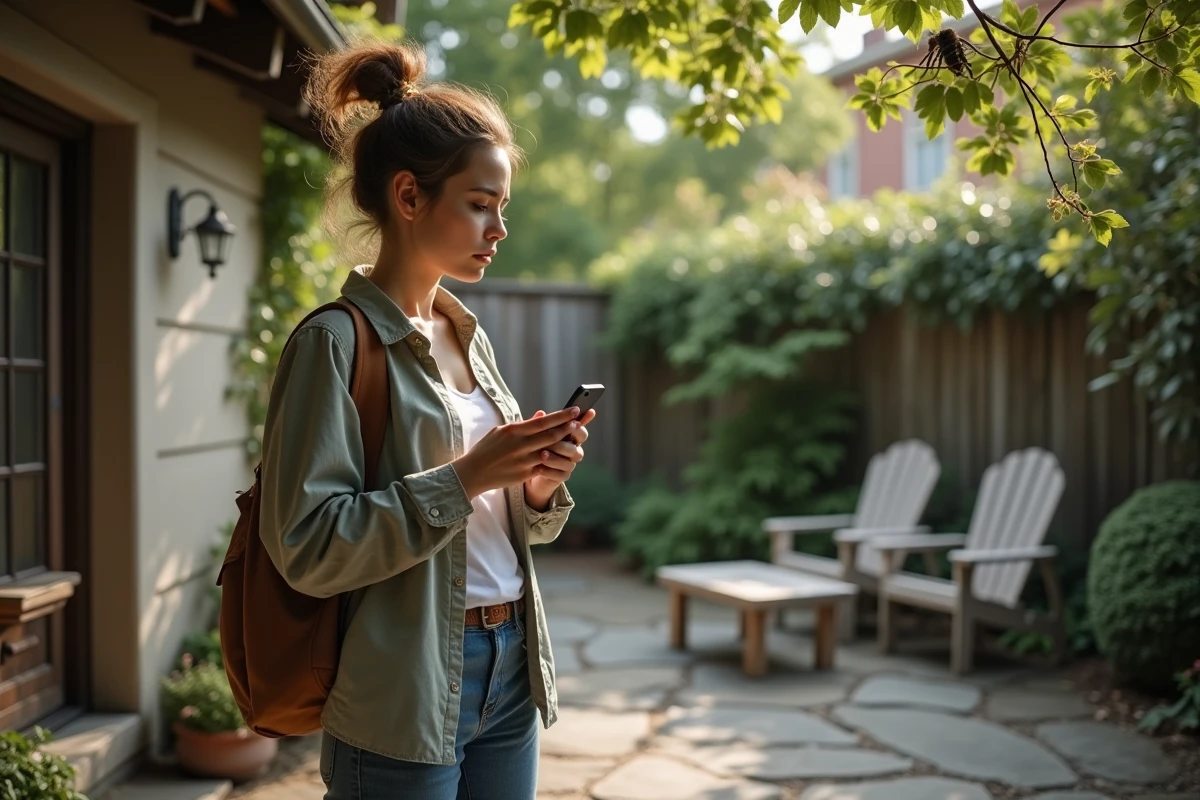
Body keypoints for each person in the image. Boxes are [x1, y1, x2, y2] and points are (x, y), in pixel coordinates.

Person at [257, 37, 597, 800]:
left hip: (510, 664)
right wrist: (469, 475)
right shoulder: (334, 344)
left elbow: (500, 525)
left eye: (502, 207)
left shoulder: (465, 333)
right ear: (409, 197)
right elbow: (308, 546)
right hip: (402, 688)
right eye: (480, 204)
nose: (498, 228)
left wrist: (536, 487)